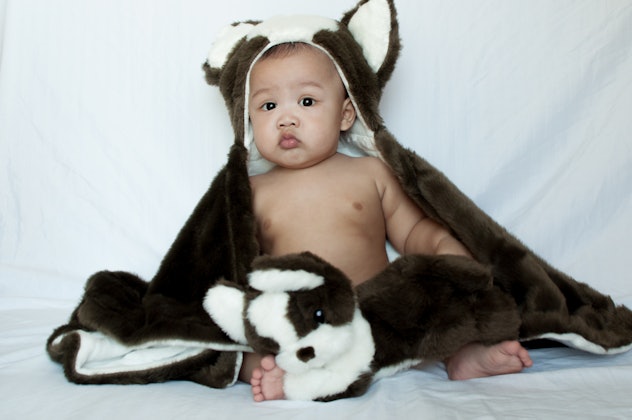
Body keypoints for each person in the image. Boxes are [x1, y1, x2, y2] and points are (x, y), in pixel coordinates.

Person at [242, 42, 532, 402]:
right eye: (268, 105)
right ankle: (273, 371)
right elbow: (239, 262)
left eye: (306, 101)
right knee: (243, 334)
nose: (286, 118)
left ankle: (462, 355)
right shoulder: (252, 191)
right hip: (304, 324)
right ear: (249, 120)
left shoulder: (370, 172)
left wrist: (442, 249)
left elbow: (411, 231)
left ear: (345, 115)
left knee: (435, 304)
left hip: (378, 314)